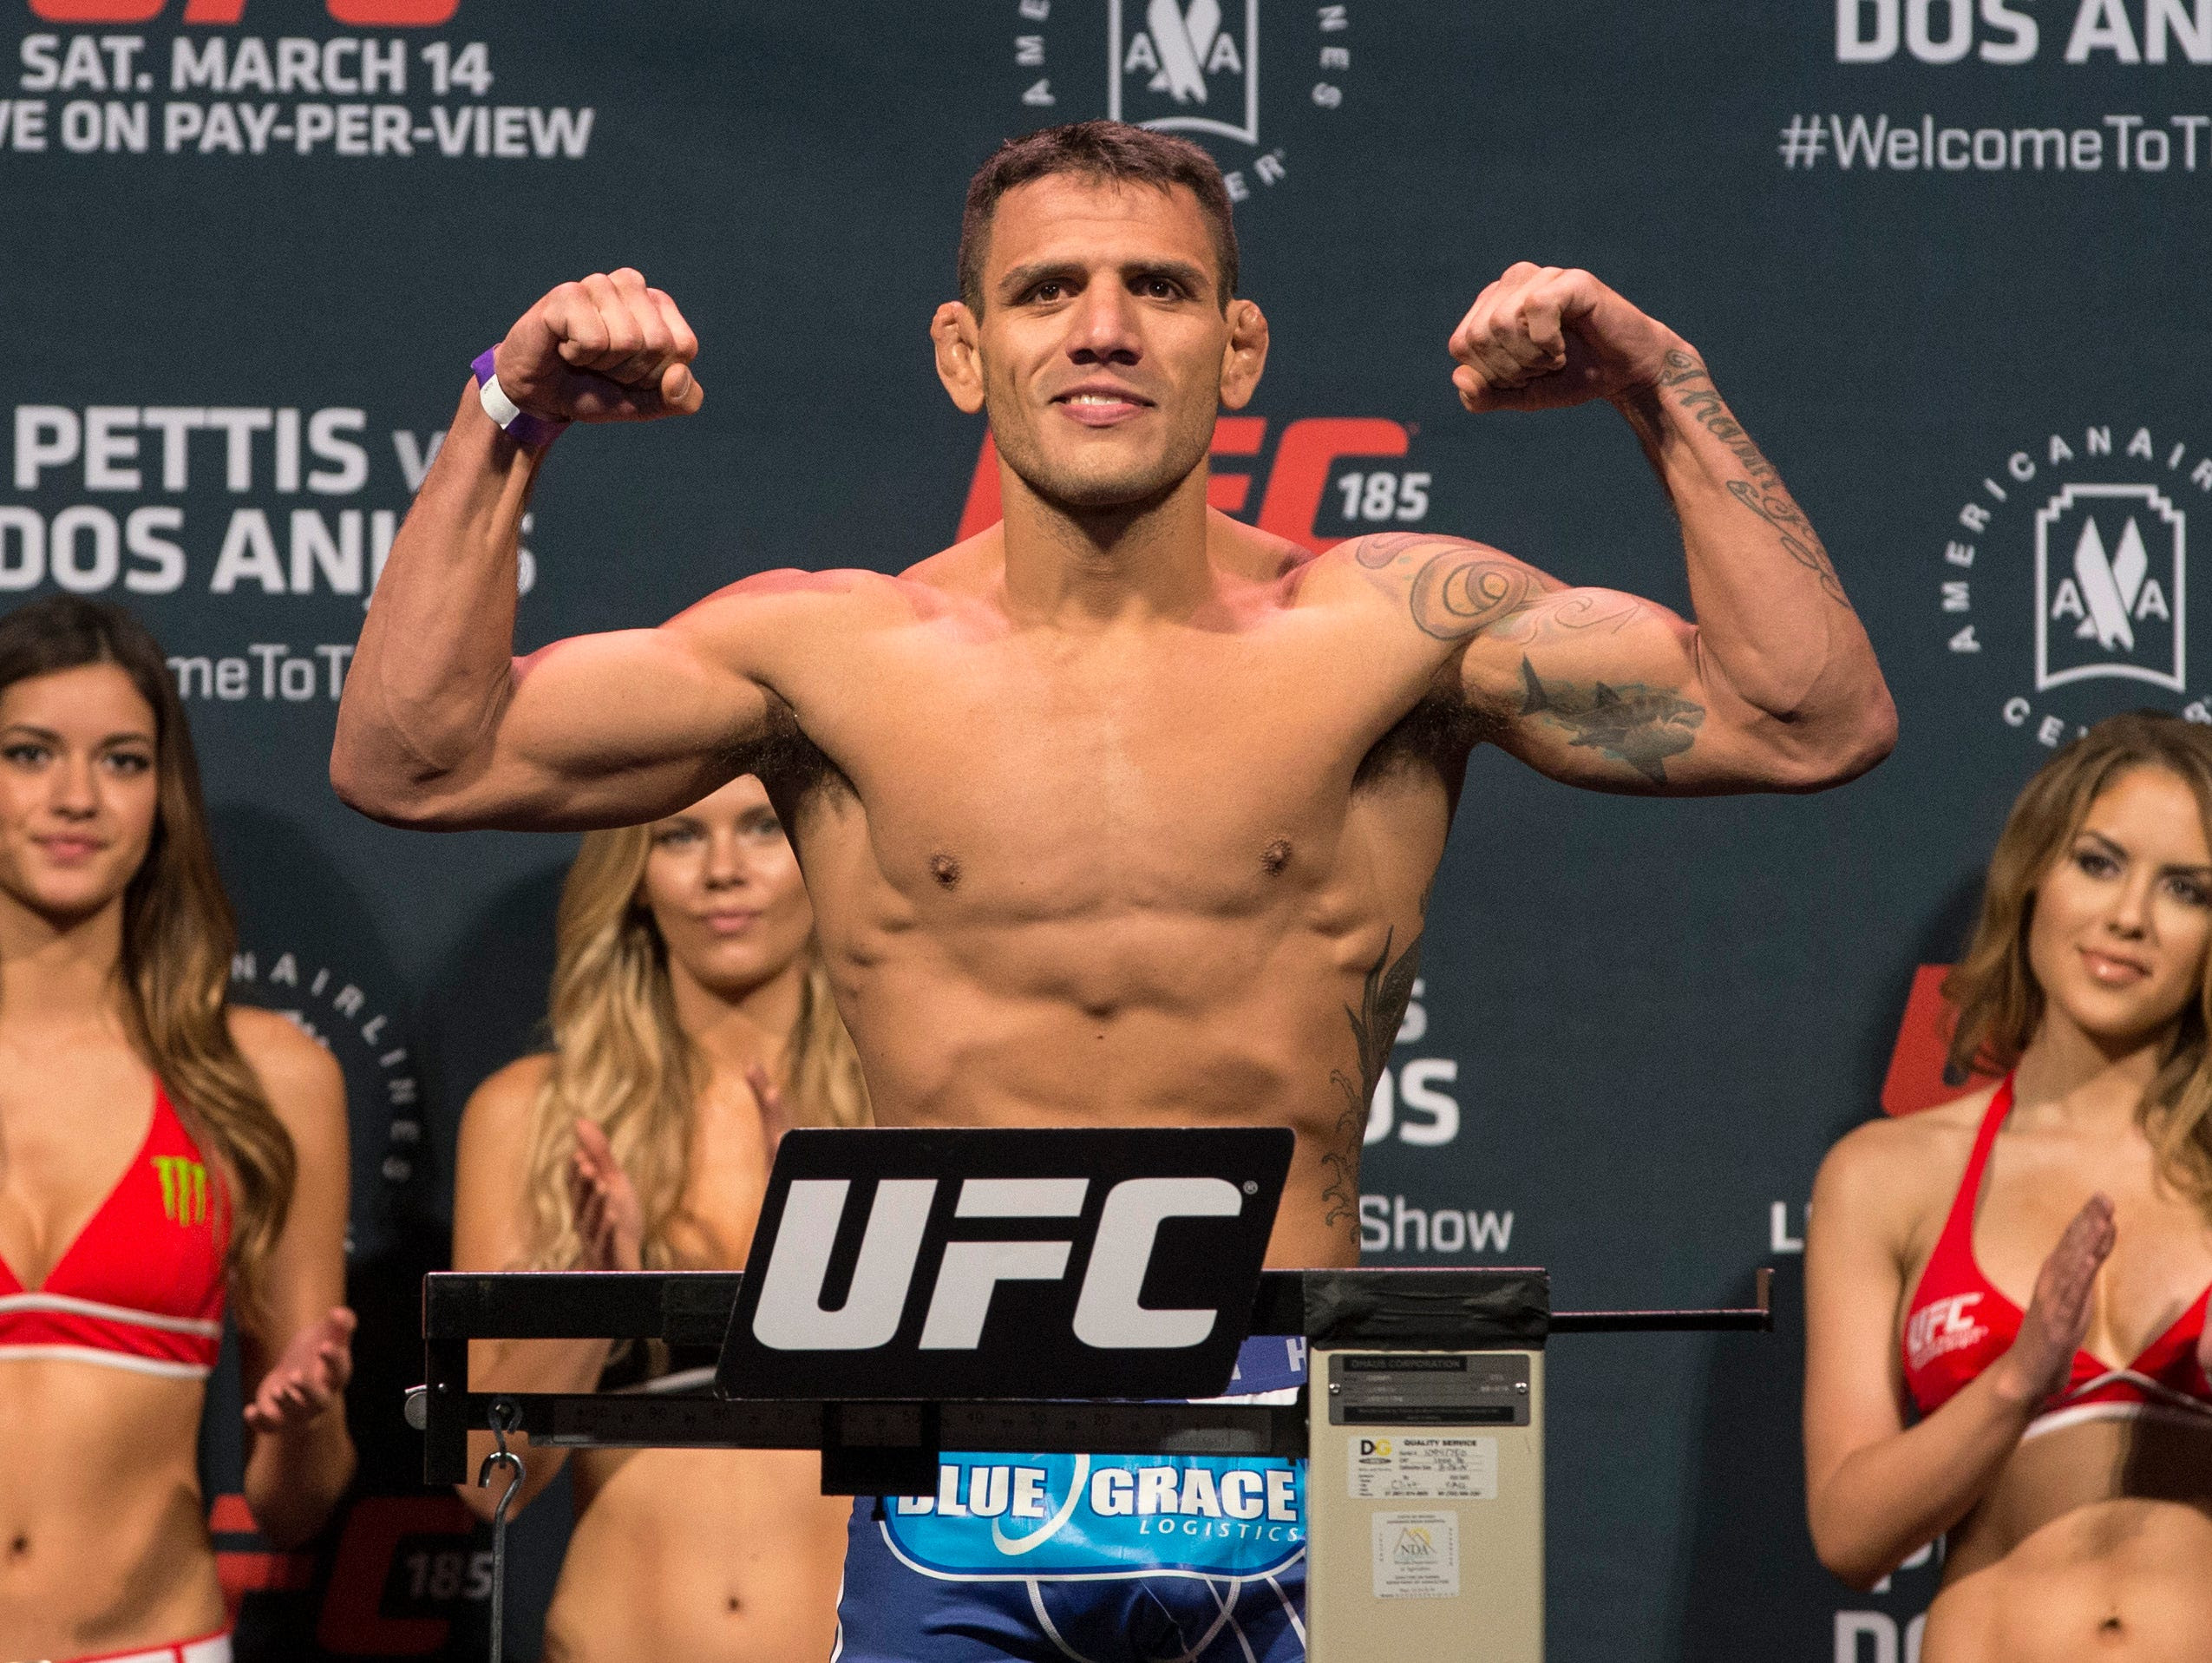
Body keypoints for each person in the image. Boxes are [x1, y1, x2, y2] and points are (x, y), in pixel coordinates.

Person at [333, 121, 1894, 1662]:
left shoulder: (1390, 629)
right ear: (963, 351)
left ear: (1240, 345)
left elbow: (1811, 716)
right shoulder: (826, 658)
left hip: (1323, 1417)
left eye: (1157, 286)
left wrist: (1660, 385)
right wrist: (506, 414)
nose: (1101, 328)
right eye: (1044, 290)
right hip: (967, 1431)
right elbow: (415, 758)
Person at [1805, 711, 2212, 1660]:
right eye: (2099, 862)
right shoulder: (1887, 1175)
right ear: (2033, 876)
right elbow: (1849, 1536)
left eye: (2186, 889)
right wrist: (2019, 1378)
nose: (2129, 917)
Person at [0, 595, 354, 1663]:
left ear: (165, 797)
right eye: (29, 754)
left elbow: (297, 1506)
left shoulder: (266, 1078)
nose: (76, 799)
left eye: (121, 761)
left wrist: (302, 1428)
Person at [451, 774, 867, 1662]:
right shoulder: (537, 1119)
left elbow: (986, 1456)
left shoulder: (900, 1118)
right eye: (680, 836)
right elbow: (489, 1483)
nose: (723, 870)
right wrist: (601, 1297)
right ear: (634, 873)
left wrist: (837, 1249)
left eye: (762, 828)